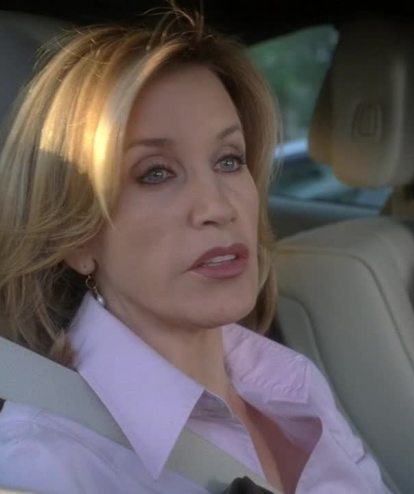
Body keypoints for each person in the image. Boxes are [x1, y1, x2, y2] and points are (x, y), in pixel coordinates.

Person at [0, 8, 388, 494]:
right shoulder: (45, 466)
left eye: (229, 160)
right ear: (76, 237)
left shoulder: (292, 385)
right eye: (156, 173)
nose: (218, 207)